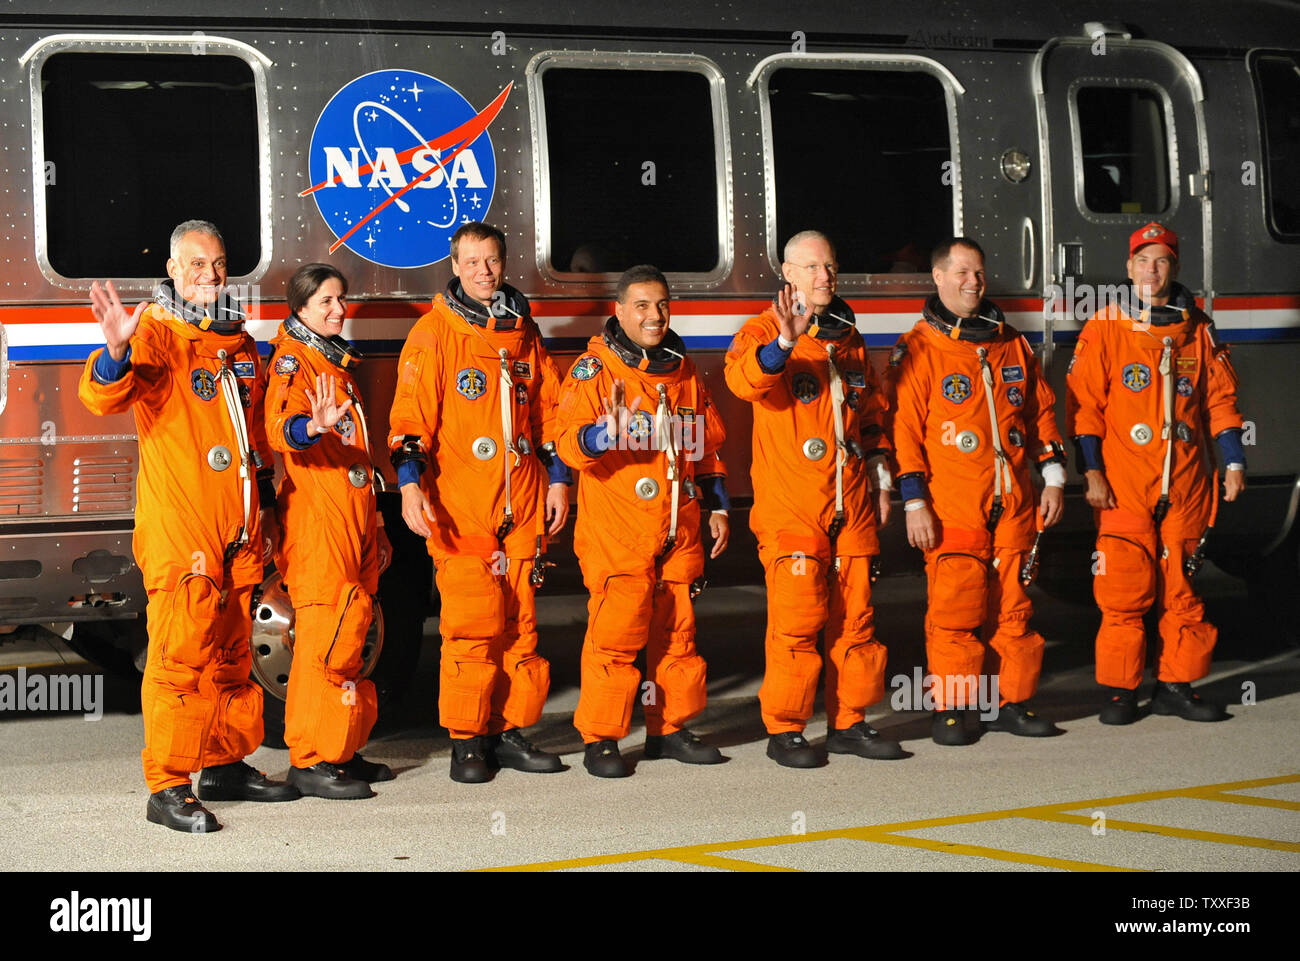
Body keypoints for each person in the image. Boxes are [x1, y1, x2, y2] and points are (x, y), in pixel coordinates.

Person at [79, 220, 298, 833]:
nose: (210, 275)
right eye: (196, 265)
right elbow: (105, 398)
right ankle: (168, 786)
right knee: (178, 660)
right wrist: (117, 350)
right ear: (172, 271)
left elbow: (253, 439)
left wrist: (271, 510)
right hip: (184, 531)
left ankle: (225, 764)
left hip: (238, 530)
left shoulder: (237, 341)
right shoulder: (156, 334)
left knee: (231, 657)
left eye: (219, 264)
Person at [388, 222, 571, 782]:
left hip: (523, 498)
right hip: (462, 503)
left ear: (505, 262)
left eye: (491, 261)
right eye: (472, 263)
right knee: (471, 624)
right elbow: (409, 420)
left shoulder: (525, 334)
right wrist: (411, 485)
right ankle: (468, 741)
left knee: (519, 626)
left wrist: (560, 479)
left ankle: (508, 731)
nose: (483, 272)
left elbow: (550, 414)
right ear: (455, 265)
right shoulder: (434, 334)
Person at [724, 230, 903, 768]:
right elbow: (742, 382)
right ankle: (787, 730)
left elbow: (867, 413)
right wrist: (783, 343)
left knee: (856, 620)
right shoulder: (763, 330)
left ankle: (849, 722)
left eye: (831, 266)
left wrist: (881, 475)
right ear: (788, 274)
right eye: (813, 267)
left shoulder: (847, 334)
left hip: (850, 499)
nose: (826, 276)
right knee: (797, 623)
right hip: (793, 504)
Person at [884, 237, 1066, 746]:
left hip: (1013, 501)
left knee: (1013, 609)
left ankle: (1012, 702)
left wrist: (1052, 476)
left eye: (979, 273)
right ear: (938, 278)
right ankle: (953, 708)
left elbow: (1038, 412)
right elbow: (904, 433)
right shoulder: (917, 347)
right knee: (956, 611)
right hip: (953, 503)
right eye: (961, 272)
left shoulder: (1011, 343)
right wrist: (915, 501)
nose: (972, 282)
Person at [1066, 222, 1246, 723]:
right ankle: (1121, 693)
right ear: (1128, 268)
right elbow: (1085, 409)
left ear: (1175, 268)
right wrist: (1093, 473)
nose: (1152, 269)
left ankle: (1175, 685)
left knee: (1183, 590)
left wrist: (1233, 460)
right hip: (1125, 481)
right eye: (1143, 260)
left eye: (1162, 261)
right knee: (1123, 591)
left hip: (1186, 481)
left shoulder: (1199, 330)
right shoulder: (1105, 327)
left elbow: (1221, 400)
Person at [555, 265, 730, 777]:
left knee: (677, 632)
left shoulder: (681, 370)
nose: (654, 316)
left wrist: (717, 506)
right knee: (616, 634)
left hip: (680, 523)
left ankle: (668, 728)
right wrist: (601, 437)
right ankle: (602, 739)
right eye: (642, 306)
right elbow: (566, 442)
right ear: (619, 310)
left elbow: (707, 445)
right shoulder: (595, 370)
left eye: (662, 305)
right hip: (620, 528)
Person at [264, 264, 395, 798]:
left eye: (341, 299)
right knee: (322, 642)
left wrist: (378, 523)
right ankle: (309, 759)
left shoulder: (333, 363)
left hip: (354, 520)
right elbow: (280, 427)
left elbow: (358, 456)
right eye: (326, 302)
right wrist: (309, 427)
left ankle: (341, 749)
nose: (339, 310)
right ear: (300, 309)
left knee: (353, 638)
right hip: (319, 525)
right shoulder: (294, 363)